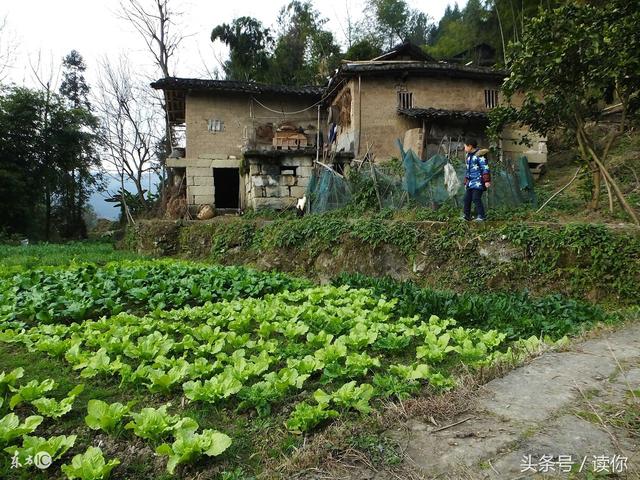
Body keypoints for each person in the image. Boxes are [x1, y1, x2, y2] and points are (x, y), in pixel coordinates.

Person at [462, 139, 491, 221]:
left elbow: (485, 168)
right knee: (466, 198)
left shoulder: (479, 155)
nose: (464, 148)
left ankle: (482, 216)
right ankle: (466, 216)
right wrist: (466, 181)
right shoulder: (468, 156)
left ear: (470, 146)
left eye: (465, 146)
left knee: (476, 198)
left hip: (479, 181)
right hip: (470, 182)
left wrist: (487, 180)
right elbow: (468, 170)